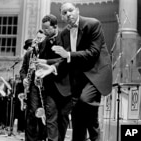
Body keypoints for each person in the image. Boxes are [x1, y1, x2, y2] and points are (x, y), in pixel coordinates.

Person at [37, 3, 112, 141]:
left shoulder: (93, 24)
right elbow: (65, 59)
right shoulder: (65, 33)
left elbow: (93, 52)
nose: (68, 14)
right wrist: (52, 68)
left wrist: (69, 55)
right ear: (62, 17)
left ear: (77, 11)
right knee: (77, 116)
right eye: (64, 13)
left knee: (84, 102)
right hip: (78, 78)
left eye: (71, 10)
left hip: (95, 74)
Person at [19, 29, 48, 141]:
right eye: (37, 39)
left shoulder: (48, 53)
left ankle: (42, 137)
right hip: (33, 88)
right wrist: (24, 79)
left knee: (44, 114)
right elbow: (22, 70)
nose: (37, 41)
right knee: (33, 114)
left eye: (40, 39)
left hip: (45, 87)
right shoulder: (29, 54)